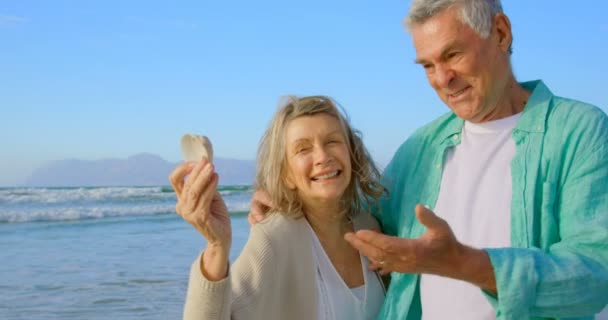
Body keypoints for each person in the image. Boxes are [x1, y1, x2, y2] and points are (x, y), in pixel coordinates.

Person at [250, 1, 608, 319]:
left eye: (453, 55)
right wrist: (287, 205)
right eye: (427, 65)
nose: (442, 79)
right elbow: (355, 215)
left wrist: (463, 264)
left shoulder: (579, 131)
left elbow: (597, 273)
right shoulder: (421, 146)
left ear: (500, 33)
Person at [169, 96, 388, 320]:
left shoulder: (371, 228)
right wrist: (217, 246)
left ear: (351, 153)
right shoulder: (276, 237)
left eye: (332, 141)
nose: (322, 157)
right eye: (303, 149)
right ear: (286, 174)